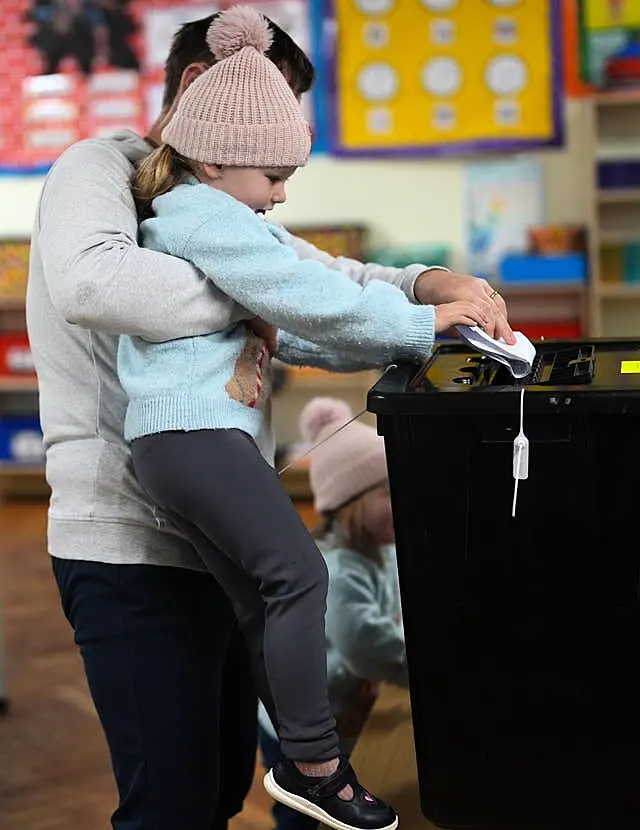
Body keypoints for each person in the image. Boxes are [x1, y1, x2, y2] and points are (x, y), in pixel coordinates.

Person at [26, 8, 512, 830]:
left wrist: (429, 285)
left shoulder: (221, 211)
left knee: (215, 792)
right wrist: (272, 298)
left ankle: (308, 764)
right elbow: (95, 287)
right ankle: (316, 764)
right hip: (127, 541)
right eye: (273, 155)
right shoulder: (102, 168)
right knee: (170, 804)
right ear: (203, 98)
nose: (281, 192)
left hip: (205, 528)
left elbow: (311, 271)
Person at [259, 397, 408, 830]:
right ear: (350, 503)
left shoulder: (382, 548)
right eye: (386, 492)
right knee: (302, 814)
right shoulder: (340, 569)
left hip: (343, 705)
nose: (400, 499)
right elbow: (365, 642)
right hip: (297, 727)